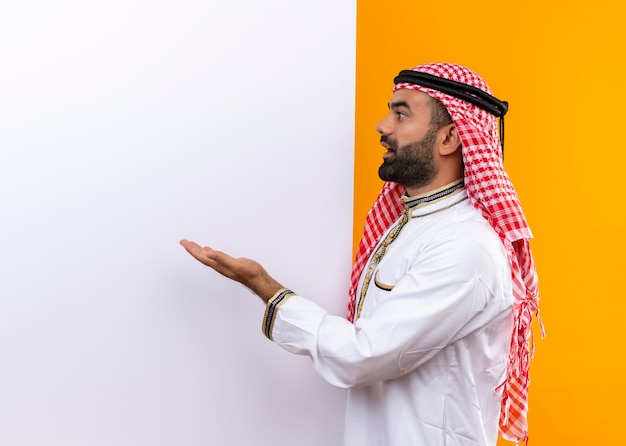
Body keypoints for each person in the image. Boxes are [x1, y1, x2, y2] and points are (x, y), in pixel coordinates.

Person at [180, 62, 541, 446]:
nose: (383, 126)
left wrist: (263, 285)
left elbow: (363, 354)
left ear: (450, 138)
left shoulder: (465, 248)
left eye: (401, 114)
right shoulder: (412, 227)